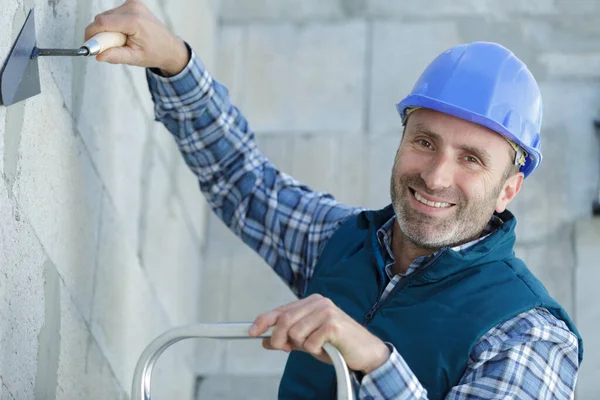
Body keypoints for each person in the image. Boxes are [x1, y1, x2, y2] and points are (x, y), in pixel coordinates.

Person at [85, 1, 583, 399]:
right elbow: (244, 181)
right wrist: (174, 61)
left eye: (471, 159)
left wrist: (375, 361)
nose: (435, 176)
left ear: (509, 189)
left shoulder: (529, 333)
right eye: (425, 142)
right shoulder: (343, 242)